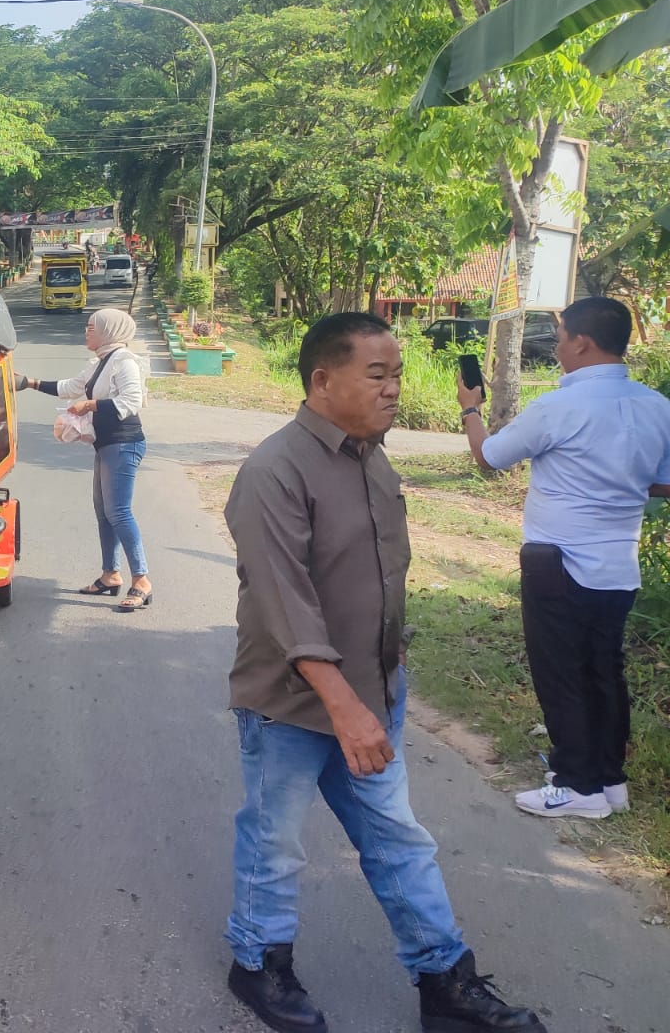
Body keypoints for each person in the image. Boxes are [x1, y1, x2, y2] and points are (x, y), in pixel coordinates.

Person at [223, 312, 543, 1033]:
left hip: (373, 695)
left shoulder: (371, 455)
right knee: (274, 840)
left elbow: (382, 572)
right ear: (322, 380)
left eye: (397, 375)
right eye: (379, 375)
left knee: (399, 839)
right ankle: (256, 964)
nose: (394, 389)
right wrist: (344, 706)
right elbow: (286, 605)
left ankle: (445, 981)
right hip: (291, 706)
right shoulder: (274, 471)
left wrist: (387, 667)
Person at [458, 296, 670, 820]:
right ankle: (609, 781)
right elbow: (664, 483)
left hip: (560, 565)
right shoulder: (657, 406)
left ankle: (577, 786)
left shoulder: (558, 407)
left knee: (561, 674)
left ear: (581, 342)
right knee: (604, 671)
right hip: (618, 567)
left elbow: (489, 459)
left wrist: (470, 409)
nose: (557, 349)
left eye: (559, 339)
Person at [17, 308, 151, 612]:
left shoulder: (124, 362)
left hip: (124, 444)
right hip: (106, 445)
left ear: (110, 330)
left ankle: (141, 580)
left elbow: (130, 401)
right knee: (104, 513)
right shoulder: (101, 362)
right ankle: (110, 575)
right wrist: (30, 382)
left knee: (119, 512)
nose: (86, 332)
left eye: (92, 327)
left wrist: (89, 405)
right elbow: (70, 387)